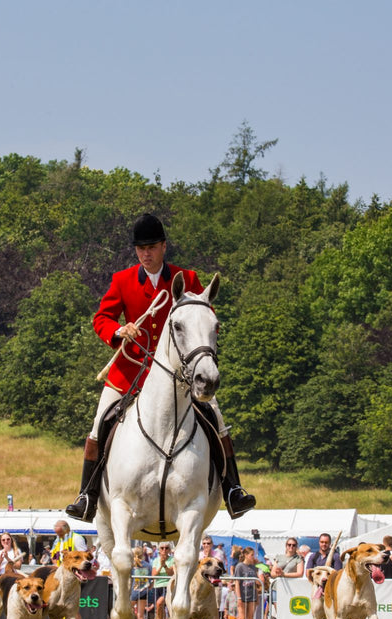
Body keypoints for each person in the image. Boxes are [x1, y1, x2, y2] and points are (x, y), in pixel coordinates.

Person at [64, 213, 255, 522]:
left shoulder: (187, 279)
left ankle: (233, 490)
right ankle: (87, 495)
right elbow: (101, 319)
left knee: (216, 419)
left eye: (152, 247)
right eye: (141, 249)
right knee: (99, 424)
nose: (146, 254)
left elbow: (204, 318)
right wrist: (118, 330)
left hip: (179, 378)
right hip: (129, 375)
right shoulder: (122, 281)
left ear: (164, 246)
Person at [232, 546, 260, 619]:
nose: (253, 557)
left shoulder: (253, 567)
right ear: (246, 555)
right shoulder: (240, 566)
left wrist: (257, 597)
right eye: (251, 555)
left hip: (252, 595)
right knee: (242, 617)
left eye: (253, 555)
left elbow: (255, 583)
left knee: (250, 618)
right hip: (242, 595)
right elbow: (237, 582)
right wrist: (239, 598)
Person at [130, 546, 155, 619]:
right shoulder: (148, 565)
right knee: (140, 616)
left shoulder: (132, 565)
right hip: (144, 592)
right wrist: (149, 588)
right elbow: (151, 580)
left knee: (129, 613)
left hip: (134, 592)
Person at [151, 542, 175, 619]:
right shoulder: (155, 560)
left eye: (166, 548)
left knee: (160, 603)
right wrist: (161, 565)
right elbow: (154, 575)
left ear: (169, 550)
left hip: (168, 586)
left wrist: (164, 565)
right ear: (159, 550)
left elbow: (170, 573)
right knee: (159, 608)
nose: (164, 550)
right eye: (162, 548)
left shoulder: (173, 560)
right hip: (157, 586)